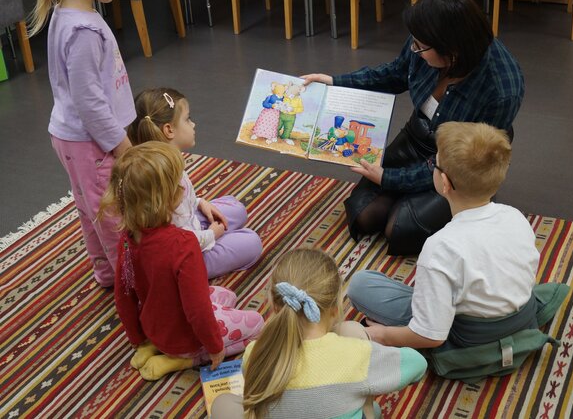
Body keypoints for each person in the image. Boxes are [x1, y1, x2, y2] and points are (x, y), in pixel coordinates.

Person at [302, 0, 525, 256]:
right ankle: (424, 199)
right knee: (364, 215)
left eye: (419, 46)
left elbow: (462, 161)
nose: (413, 49)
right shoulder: (426, 39)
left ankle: (479, 196)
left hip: (460, 163)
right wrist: (335, 82)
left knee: (398, 229)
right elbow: (395, 74)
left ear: (452, 51)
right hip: (417, 138)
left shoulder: (501, 88)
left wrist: (390, 178)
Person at [347, 123, 568, 380]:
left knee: (361, 285)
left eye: (434, 163)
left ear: (444, 182)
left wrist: (382, 335)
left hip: (466, 338)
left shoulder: (441, 246)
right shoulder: (515, 216)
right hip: (519, 317)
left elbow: (431, 335)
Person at [28, 0, 136, 287]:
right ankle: (130, 283)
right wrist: (122, 145)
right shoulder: (84, 31)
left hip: (74, 138)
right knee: (109, 214)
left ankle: (106, 273)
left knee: (91, 208)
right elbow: (89, 102)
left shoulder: (69, 14)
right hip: (90, 142)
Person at [99, 141, 264, 381]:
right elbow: (197, 308)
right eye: (177, 185)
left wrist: (138, 339)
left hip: (153, 328)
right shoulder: (184, 244)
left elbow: (124, 296)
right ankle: (185, 359)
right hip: (184, 339)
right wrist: (214, 347)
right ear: (166, 199)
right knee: (257, 323)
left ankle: (150, 348)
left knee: (226, 295)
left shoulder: (128, 238)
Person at [211, 248, 427, 419]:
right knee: (353, 334)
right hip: (350, 389)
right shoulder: (357, 354)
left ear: (275, 308)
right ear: (335, 309)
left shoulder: (256, 352)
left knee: (222, 404)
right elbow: (418, 364)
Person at [127, 87, 263, 279]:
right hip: (182, 256)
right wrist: (212, 234)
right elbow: (177, 242)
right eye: (187, 119)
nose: (193, 124)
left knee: (236, 208)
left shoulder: (166, 162)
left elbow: (182, 208)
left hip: (186, 227)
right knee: (252, 242)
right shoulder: (164, 179)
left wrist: (200, 203)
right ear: (169, 130)